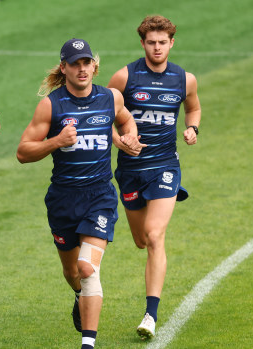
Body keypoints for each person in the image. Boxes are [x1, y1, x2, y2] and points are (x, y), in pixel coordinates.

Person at [16, 38, 144, 349]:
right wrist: (56, 142)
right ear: (64, 68)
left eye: (86, 62)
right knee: (73, 271)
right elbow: (23, 152)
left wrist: (129, 140)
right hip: (62, 199)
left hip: (99, 196)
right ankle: (79, 295)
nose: (82, 68)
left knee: (87, 268)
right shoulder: (51, 105)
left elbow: (127, 121)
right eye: (75, 64)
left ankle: (88, 343)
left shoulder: (110, 98)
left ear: (94, 66)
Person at [107, 15, 202, 340]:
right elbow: (98, 111)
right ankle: (157, 206)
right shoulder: (124, 76)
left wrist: (192, 127)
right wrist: (118, 139)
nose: (157, 47)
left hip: (165, 166)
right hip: (131, 171)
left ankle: (150, 314)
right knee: (141, 240)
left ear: (171, 43)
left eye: (163, 42)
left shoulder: (184, 79)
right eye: (151, 42)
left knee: (155, 235)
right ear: (143, 43)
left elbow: (193, 108)